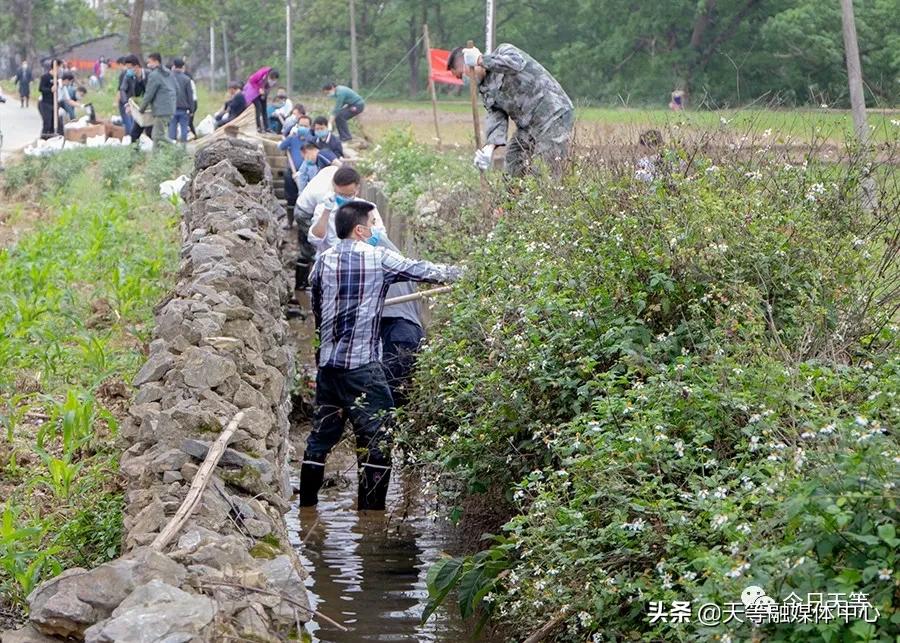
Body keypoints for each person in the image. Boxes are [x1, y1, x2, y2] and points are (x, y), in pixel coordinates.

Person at [301, 200, 462, 510]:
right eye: (372, 224)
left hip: (329, 367)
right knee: (379, 440)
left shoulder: (323, 262)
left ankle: (306, 509)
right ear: (360, 229)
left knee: (320, 439)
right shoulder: (379, 259)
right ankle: (371, 518)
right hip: (362, 368)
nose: (375, 230)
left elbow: (318, 312)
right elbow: (426, 271)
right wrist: (471, 272)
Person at [447, 43, 574, 177]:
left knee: (543, 172)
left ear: (468, 63)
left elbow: (515, 64)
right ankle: (515, 196)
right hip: (529, 126)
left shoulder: (504, 51)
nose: (463, 81)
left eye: (461, 75)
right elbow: (496, 118)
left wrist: (481, 60)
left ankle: (548, 196)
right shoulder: (485, 88)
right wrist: (488, 149)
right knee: (514, 160)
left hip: (553, 116)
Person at [139, 53, 176, 147]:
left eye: (149, 62)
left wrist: (141, 108)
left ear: (156, 61)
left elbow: (149, 94)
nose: (148, 65)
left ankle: (178, 149)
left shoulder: (154, 75)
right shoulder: (168, 73)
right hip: (170, 107)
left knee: (157, 135)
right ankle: (157, 158)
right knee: (157, 135)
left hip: (161, 109)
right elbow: (177, 89)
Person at [242, 67, 279, 132]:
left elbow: (268, 88)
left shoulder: (272, 81)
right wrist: (259, 88)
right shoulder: (261, 73)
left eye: (274, 79)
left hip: (263, 92)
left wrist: (264, 94)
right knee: (258, 107)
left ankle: (267, 127)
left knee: (264, 109)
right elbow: (252, 81)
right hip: (253, 90)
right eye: (271, 78)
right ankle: (259, 127)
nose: (272, 80)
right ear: (269, 75)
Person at [169, 58, 193, 144]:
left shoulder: (169, 78)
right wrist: (191, 110)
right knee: (184, 129)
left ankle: (172, 147)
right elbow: (190, 96)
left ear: (174, 66)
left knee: (172, 129)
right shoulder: (187, 79)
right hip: (184, 109)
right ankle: (183, 147)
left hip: (172, 108)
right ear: (183, 66)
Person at [117, 55, 141, 134]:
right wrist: (126, 103)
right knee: (129, 120)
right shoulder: (127, 75)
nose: (128, 70)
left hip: (135, 102)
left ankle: (131, 135)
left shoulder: (144, 75)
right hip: (127, 101)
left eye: (129, 68)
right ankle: (131, 136)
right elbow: (122, 89)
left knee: (130, 120)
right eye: (127, 68)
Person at [37, 63, 56, 138]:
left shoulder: (57, 78)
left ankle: (50, 139)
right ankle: (43, 138)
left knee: (53, 123)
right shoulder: (45, 77)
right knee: (47, 123)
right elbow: (41, 89)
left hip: (54, 103)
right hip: (45, 103)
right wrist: (50, 90)